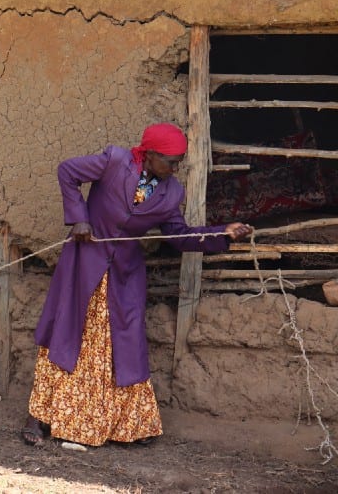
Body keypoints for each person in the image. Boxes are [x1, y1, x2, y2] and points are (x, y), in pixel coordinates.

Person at [21, 122, 253, 447]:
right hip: (83, 264)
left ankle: (126, 425)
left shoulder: (172, 192)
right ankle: (39, 417)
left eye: (180, 161)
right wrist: (80, 218)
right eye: (171, 161)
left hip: (124, 275)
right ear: (150, 154)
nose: (176, 167)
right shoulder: (114, 162)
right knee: (68, 335)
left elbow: (179, 237)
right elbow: (68, 171)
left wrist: (222, 234)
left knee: (123, 345)